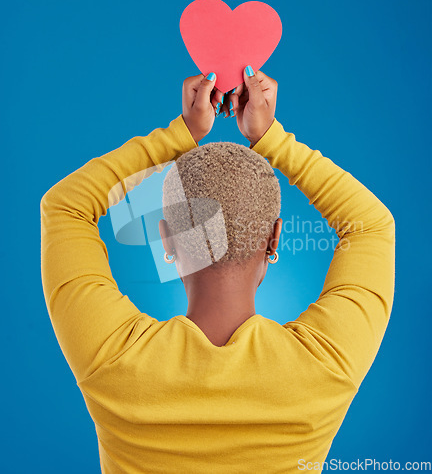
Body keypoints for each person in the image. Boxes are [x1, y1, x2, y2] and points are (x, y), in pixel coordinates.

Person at [40, 66, 395, 473]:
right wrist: (271, 138)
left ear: (167, 239)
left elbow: (65, 206)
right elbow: (371, 225)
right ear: (274, 239)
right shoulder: (326, 365)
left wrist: (179, 135)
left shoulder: (113, 357)